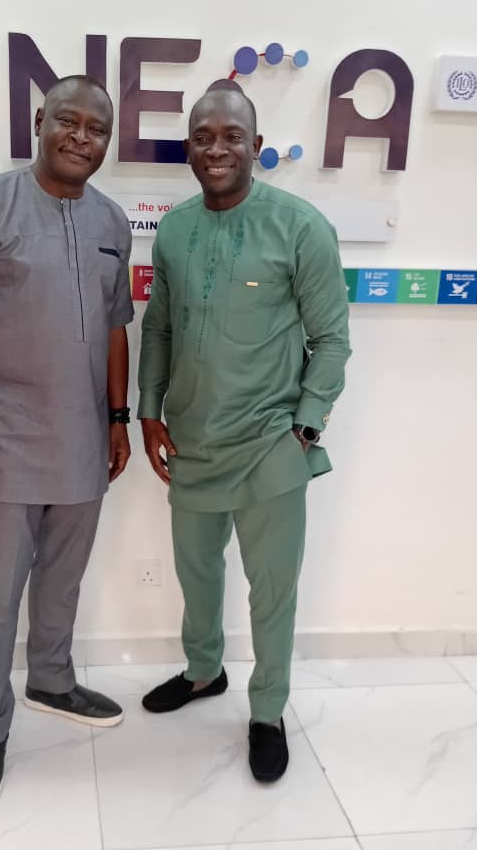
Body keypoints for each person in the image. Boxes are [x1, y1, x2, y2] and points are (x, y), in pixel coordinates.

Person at [0, 76, 134, 811]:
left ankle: (51, 679)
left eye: (96, 129)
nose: (81, 137)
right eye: (68, 121)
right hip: (3, 440)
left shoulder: (112, 221)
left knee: (63, 578)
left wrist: (117, 418)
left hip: (84, 439)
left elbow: (115, 328)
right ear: (39, 120)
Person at [138, 86, 351, 783]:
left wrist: (306, 425)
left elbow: (331, 340)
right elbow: (158, 328)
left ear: (255, 146)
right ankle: (204, 671)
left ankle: (267, 712)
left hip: (269, 446)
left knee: (272, 591)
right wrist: (148, 410)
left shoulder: (300, 226)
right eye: (203, 137)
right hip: (192, 443)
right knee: (197, 573)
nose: (217, 149)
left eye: (232, 136)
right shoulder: (174, 230)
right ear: (189, 148)